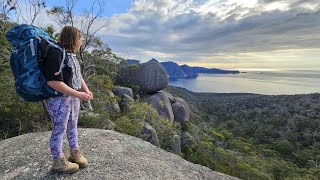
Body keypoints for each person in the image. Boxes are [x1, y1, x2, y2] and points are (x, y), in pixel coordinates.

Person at [43, 26, 93, 174]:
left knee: (72, 125)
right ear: (72, 39)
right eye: (80, 38)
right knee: (59, 129)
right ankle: (58, 161)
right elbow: (53, 82)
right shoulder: (56, 54)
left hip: (72, 99)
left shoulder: (70, 54)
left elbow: (78, 76)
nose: (81, 42)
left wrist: (86, 90)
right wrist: (78, 95)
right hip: (57, 99)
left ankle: (74, 153)